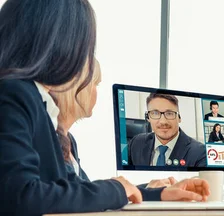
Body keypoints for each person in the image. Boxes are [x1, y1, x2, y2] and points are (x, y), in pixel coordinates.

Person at [0, 0, 209, 215]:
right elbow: (20, 196)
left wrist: (157, 194)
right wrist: (115, 188)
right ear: (63, 41)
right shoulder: (16, 93)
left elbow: (71, 190)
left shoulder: (34, 101)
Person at [52, 60, 179, 190]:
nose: (96, 92)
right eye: (95, 84)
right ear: (76, 87)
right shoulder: (50, 139)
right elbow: (82, 194)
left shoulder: (69, 140)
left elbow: (87, 191)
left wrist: (145, 189)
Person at [128, 93, 207, 167]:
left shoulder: (200, 153)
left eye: (169, 113)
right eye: (155, 113)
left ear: (179, 117)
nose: (163, 121)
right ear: (148, 118)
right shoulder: (136, 143)